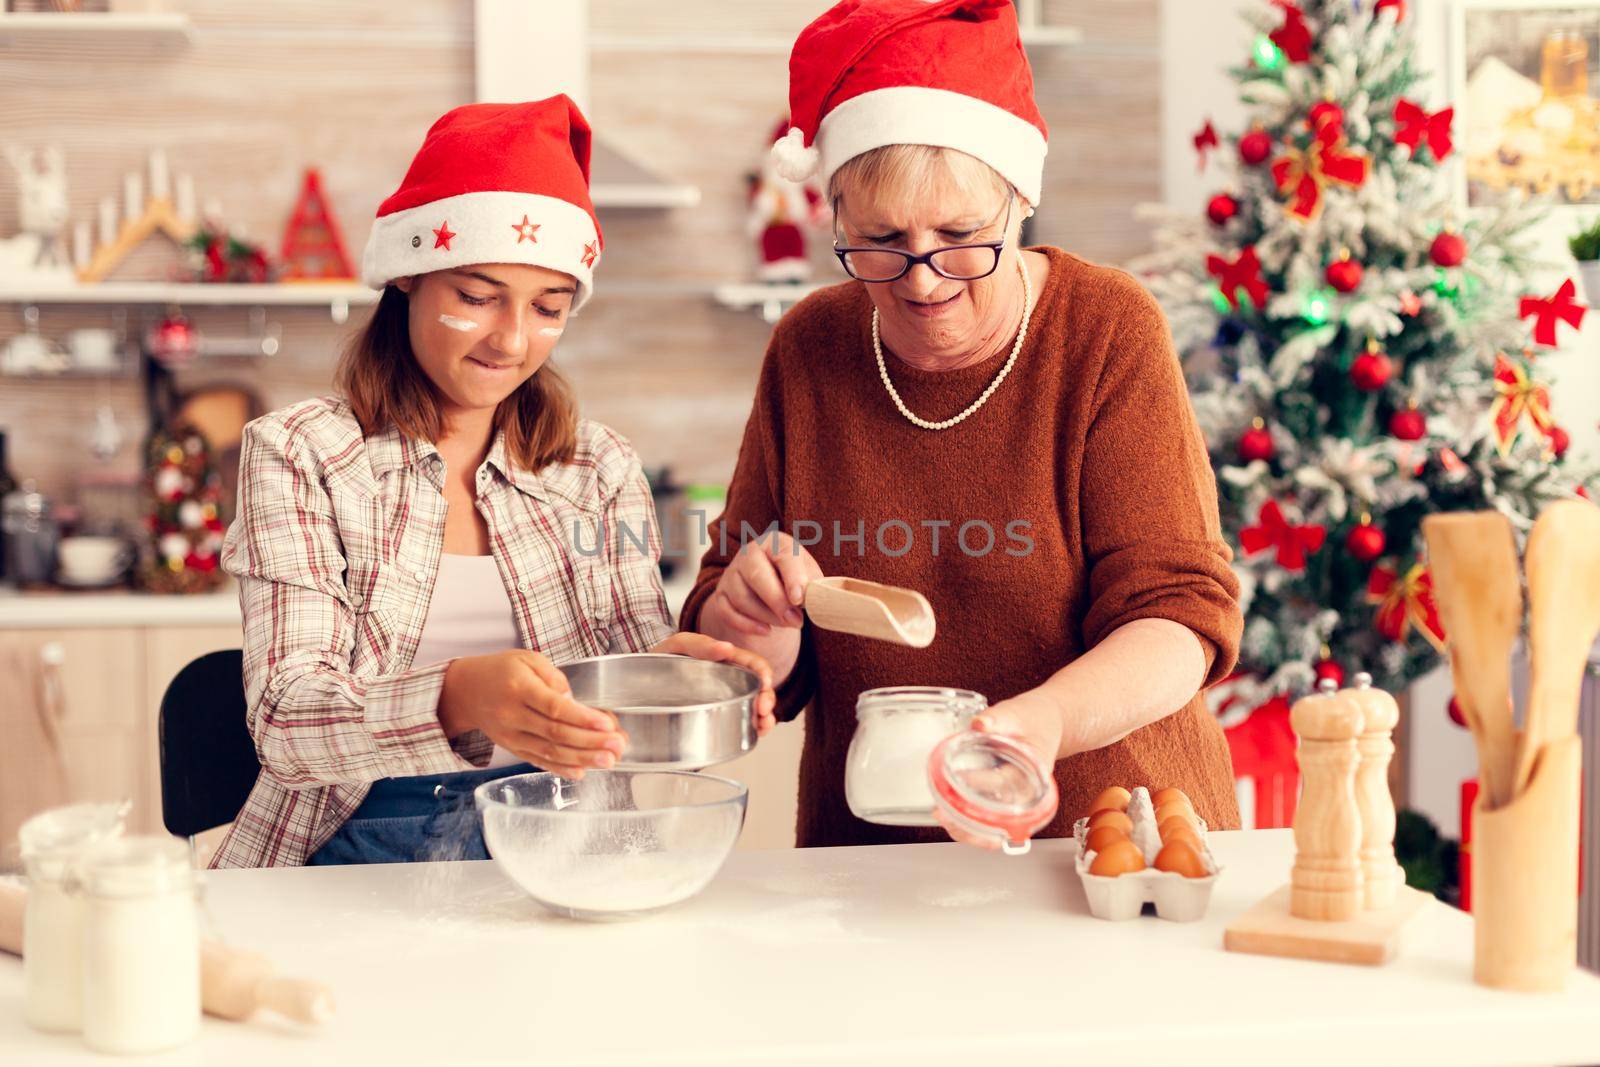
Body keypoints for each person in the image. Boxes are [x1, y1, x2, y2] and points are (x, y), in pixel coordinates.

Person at [682, 0, 1244, 849]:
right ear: (834, 219)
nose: (923, 279)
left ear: (1018, 199)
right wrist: (750, 621)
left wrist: (1039, 729)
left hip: (1111, 838)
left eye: (959, 234)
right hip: (872, 861)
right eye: (879, 240)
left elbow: (1179, 616)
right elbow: (748, 660)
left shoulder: (1105, 330)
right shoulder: (810, 346)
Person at [211, 97, 774, 868]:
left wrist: (675, 672)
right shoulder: (300, 454)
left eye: (548, 308)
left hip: (567, 837)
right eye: (477, 298)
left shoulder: (599, 468)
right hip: (350, 843)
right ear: (408, 275)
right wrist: (463, 695)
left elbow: (623, 688)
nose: (512, 339)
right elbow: (287, 720)